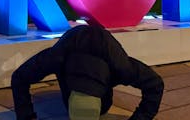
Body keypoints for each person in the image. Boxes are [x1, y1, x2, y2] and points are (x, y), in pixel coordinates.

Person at [11, 24, 164, 120]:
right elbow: (19, 77)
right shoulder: (57, 57)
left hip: (98, 59)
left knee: (99, 108)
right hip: (73, 50)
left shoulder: (119, 65)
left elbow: (155, 84)